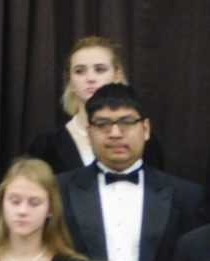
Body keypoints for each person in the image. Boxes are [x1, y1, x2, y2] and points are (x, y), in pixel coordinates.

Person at [58, 83, 204, 261]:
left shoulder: (186, 196)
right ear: (88, 133)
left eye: (126, 122)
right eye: (102, 124)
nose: (115, 133)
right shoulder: (58, 191)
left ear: (146, 129)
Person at [28, 36, 163, 175]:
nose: (90, 78)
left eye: (100, 69)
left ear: (117, 76)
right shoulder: (45, 146)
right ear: (69, 81)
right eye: (80, 71)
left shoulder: (144, 141)